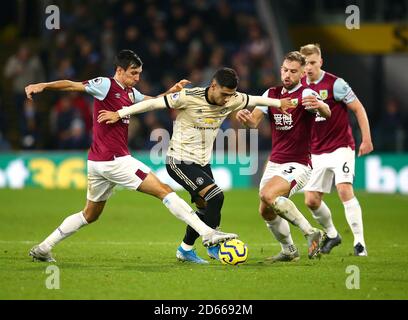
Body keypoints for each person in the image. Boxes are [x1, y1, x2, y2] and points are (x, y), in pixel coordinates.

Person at [25, 50, 238, 262]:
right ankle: (207, 233)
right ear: (119, 70)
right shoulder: (105, 85)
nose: (137, 79)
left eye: (139, 74)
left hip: (98, 162)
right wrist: (43, 85)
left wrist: (170, 92)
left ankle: (44, 248)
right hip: (115, 160)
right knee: (164, 191)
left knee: (89, 215)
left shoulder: (129, 93)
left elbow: (153, 102)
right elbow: (72, 84)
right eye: (133, 73)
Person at [97, 67, 294, 264]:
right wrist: (119, 113)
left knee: (205, 207)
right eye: (224, 94)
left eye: (231, 95)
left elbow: (256, 99)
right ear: (213, 86)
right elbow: (153, 105)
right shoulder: (188, 97)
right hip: (179, 161)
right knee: (216, 197)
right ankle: (213, 243)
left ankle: (185, 250)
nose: (227, 100)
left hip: (202, 162)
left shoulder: (233, 98)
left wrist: (279, 103)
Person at [235, 51, 331, 262]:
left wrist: (322, 106)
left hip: (299, 163)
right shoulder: (271, 93)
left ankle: (310, 232)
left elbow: (326, 113)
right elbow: (254, 123)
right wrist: (245, 119)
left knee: (268, 195)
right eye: (285, 70)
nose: (287, 75)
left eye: (293, 71)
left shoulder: (306, 94)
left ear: (302, 74)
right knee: (266, 211)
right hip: (275, 162)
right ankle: (289, 250)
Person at [299, 44, 373, 256]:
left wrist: (366, 139)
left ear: (320, 62)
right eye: (306, 64)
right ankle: (332, 234)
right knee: (311, 200)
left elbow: (358, 108)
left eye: (313, 62)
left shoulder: (336, 84)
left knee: (343, 189)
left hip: (341, 146)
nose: (309, 67)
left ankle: (360, 244)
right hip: (316, 151)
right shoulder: (300, 86)